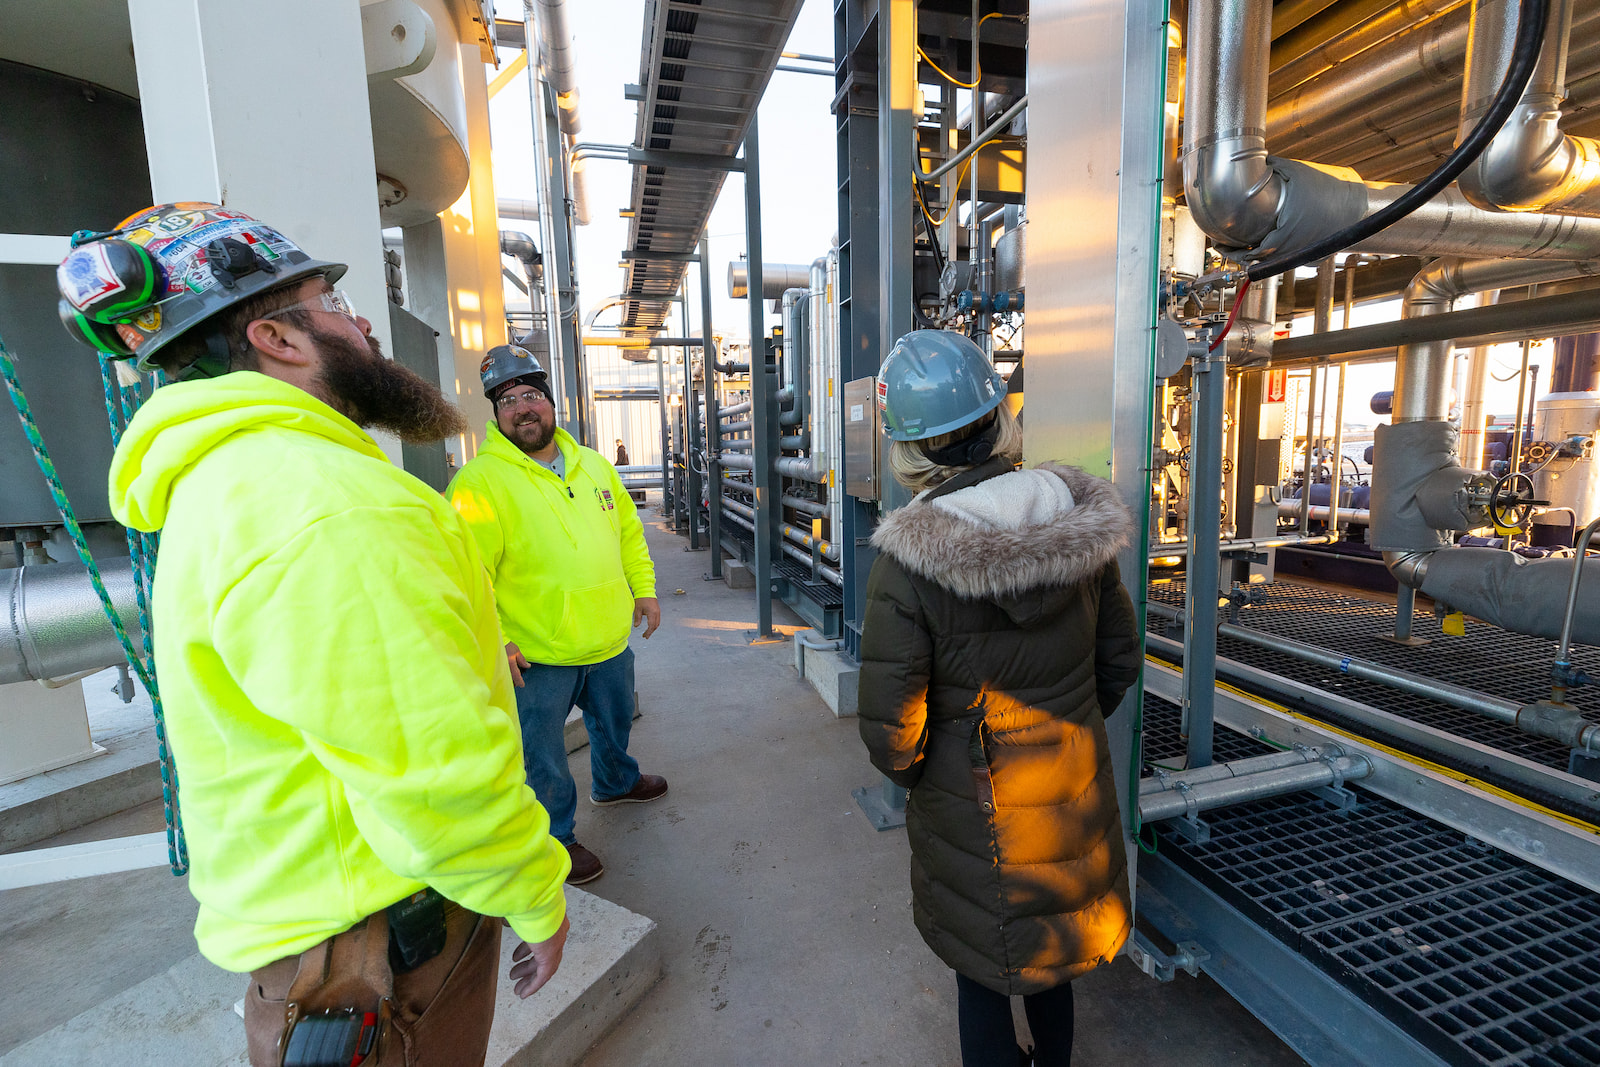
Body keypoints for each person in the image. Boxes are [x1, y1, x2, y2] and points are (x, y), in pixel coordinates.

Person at [59, 203, 571, 1067]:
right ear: (280, 340)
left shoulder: (232, 482)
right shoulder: (327, 502)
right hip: (377, 954)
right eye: (330, 301)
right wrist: (534, 892)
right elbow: (427, 759)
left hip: (320, 940)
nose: (362, 321)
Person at [856, 330, 1141, 1067]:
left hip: (976, 808)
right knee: (1053, 957)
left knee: (983, 970)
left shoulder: (909, 563)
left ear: (910, 452)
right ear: (998, 417)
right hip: (1072, 794)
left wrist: (939, 769)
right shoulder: (1075, 521)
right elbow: (1119, 661)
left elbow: (892, 730)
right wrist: (1068, 732)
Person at [449, 345, 668, 886]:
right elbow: (466, 573)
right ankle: (556, 840)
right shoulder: (479, 485)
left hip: (608, 638)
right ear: (496, 417)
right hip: (537, 654)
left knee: (614, 723)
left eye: (530, 394)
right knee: (541, 755)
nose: (523, 407)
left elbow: (629, 535)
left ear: (550, 403)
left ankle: (615, 782)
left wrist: (644, 589)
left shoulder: (594, 466)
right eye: (508, 400)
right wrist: (494, 640)